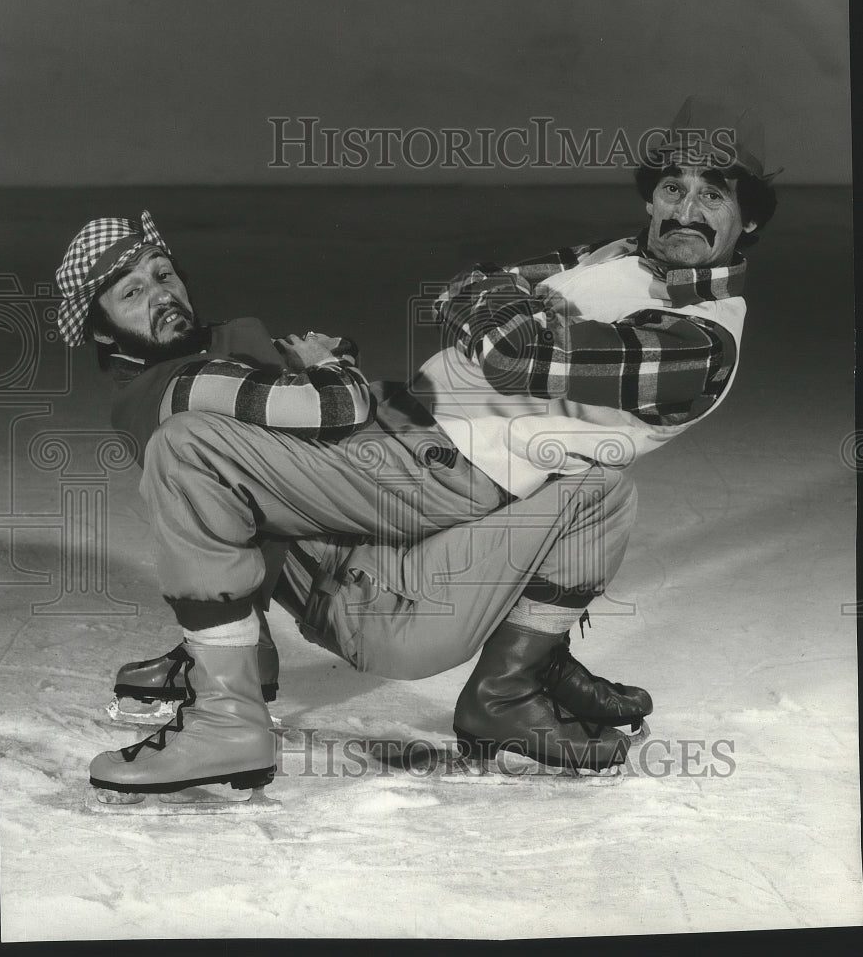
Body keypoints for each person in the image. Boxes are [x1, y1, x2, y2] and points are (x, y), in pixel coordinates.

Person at [55, 95, 777, 802]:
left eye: (713, 194)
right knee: (601, 487)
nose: (685, 209)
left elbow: (502, 341)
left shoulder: (698, 341)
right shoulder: (618, 255)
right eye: (672, 187)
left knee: (190, 443)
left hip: (431, 468)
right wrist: (499, 301)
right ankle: (511, 686)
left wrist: (502, 308)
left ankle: (226, 720)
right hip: (412, 475)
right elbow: (470, 285)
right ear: (648, 200)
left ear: (746, 219)